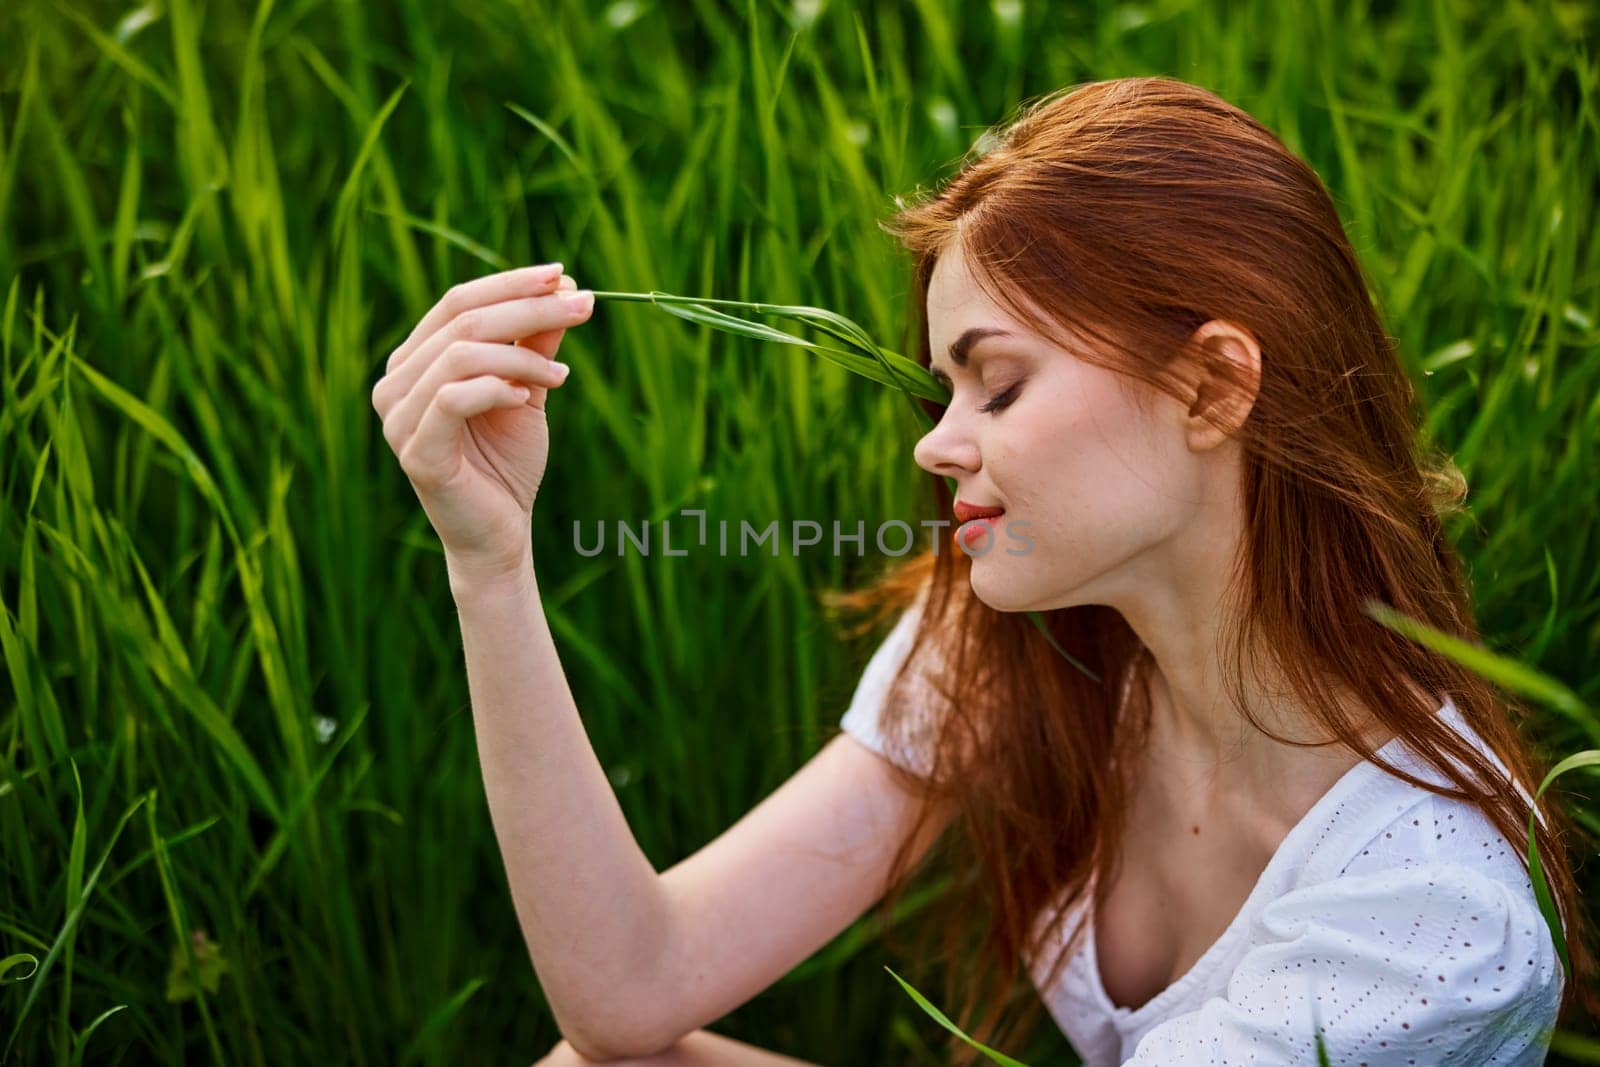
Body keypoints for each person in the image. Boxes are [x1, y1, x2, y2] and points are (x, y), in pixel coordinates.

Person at [370, 76, 1593, 1066]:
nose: (936, 441)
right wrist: (491, 558)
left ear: (1212, 385)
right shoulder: (1038, 644)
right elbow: (631, 990)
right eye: (946, 385)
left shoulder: (1426, 911)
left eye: (998, 383)